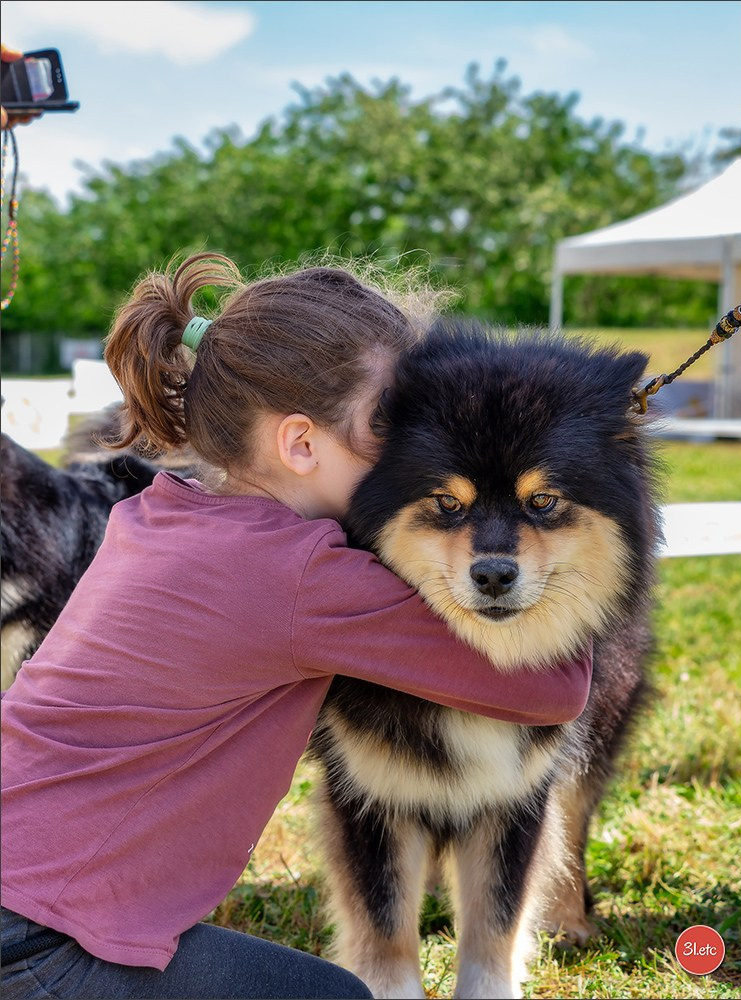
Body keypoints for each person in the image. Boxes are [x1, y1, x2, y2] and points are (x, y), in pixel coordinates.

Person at [0, 252, 594, 1000]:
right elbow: (552, 688)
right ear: (301, 444)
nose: (421, 446)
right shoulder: (302, 576)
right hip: (42, 947)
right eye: (392, 421)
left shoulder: (156, 512)